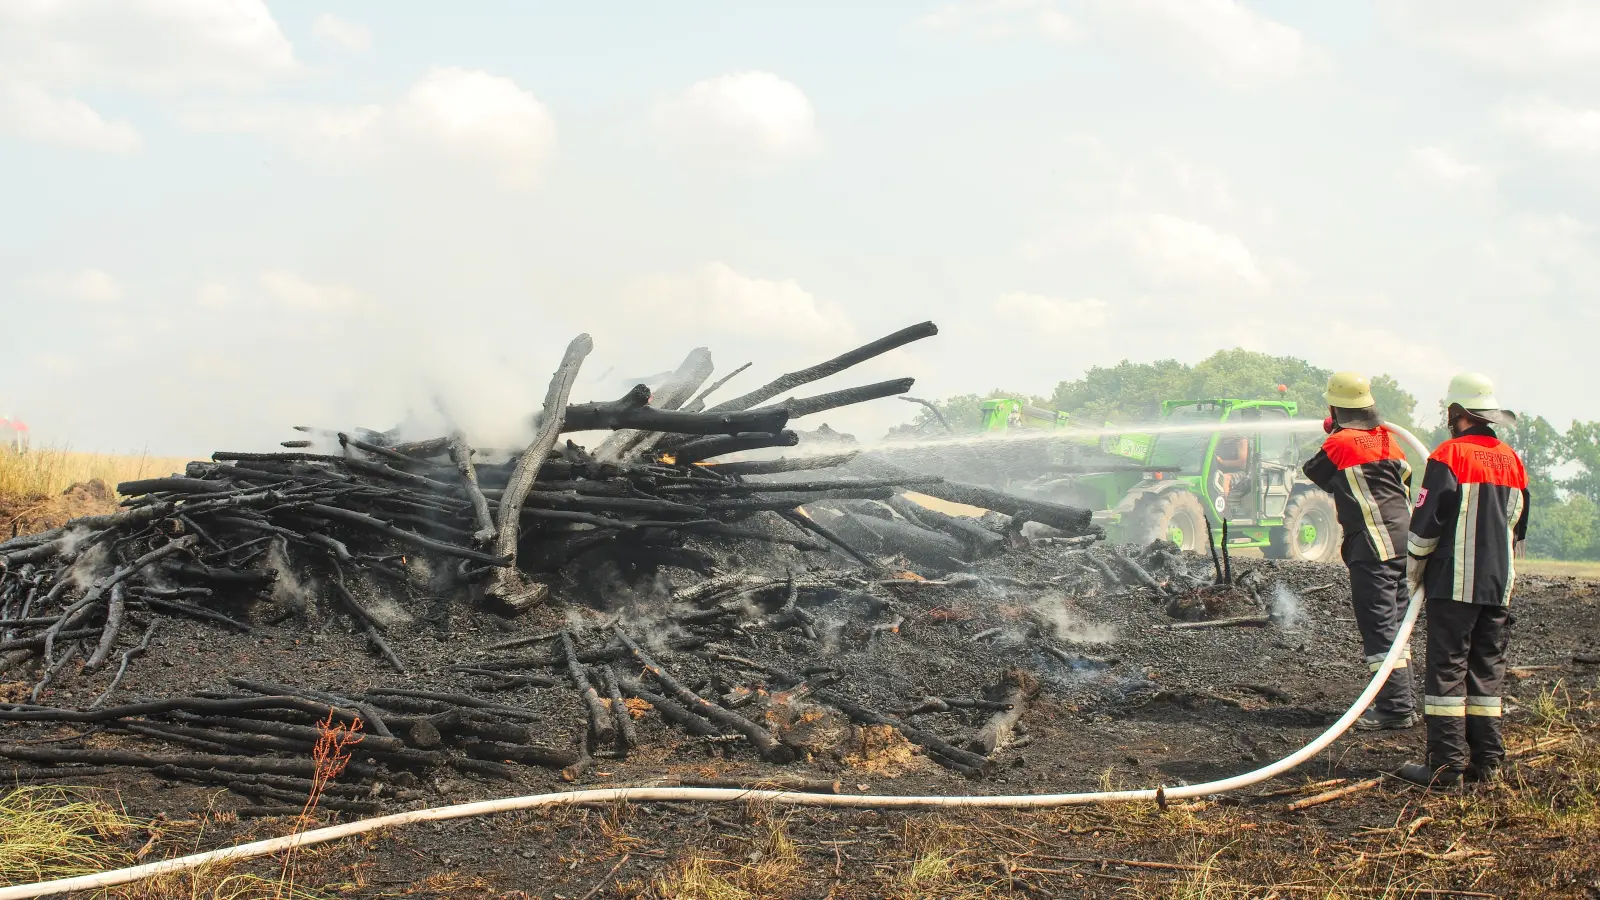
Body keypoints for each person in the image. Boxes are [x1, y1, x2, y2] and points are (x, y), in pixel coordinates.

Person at [1399, 373, 1529, 787]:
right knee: (1486, 673)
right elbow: (1518, 528)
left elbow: (1425, 525)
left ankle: (1445, 766)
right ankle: (1488, 763)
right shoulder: (1512, 459)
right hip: (1498, 586)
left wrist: (1414, 573)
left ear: (1457, 413)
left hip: (1455, 584)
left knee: (1447, 672)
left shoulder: (1449, 455)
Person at [1302, 372, 1418, 730]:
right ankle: (1403, 703)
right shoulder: (1390, 440)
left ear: (1335, 406)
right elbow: (1405, 482)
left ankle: (1395, 710)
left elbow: (1315, 473)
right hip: (1406, 543)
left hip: (1374, 546)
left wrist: (1336, 434)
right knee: (1398, 626)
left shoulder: (1340, 444)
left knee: (1380, 628)